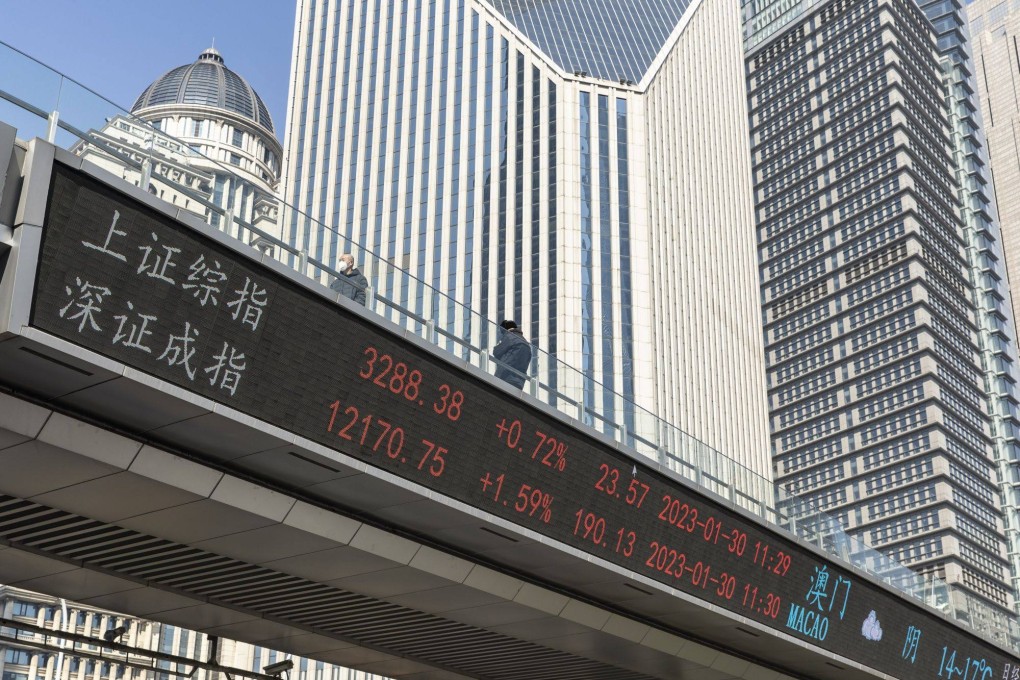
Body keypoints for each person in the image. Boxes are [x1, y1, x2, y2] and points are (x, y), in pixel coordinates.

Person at [493, 319, 532, 389]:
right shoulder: (526, 344)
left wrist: (498, 345)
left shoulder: (509, 336)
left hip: (505, 376)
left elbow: (497, 352)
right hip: (519, 381)